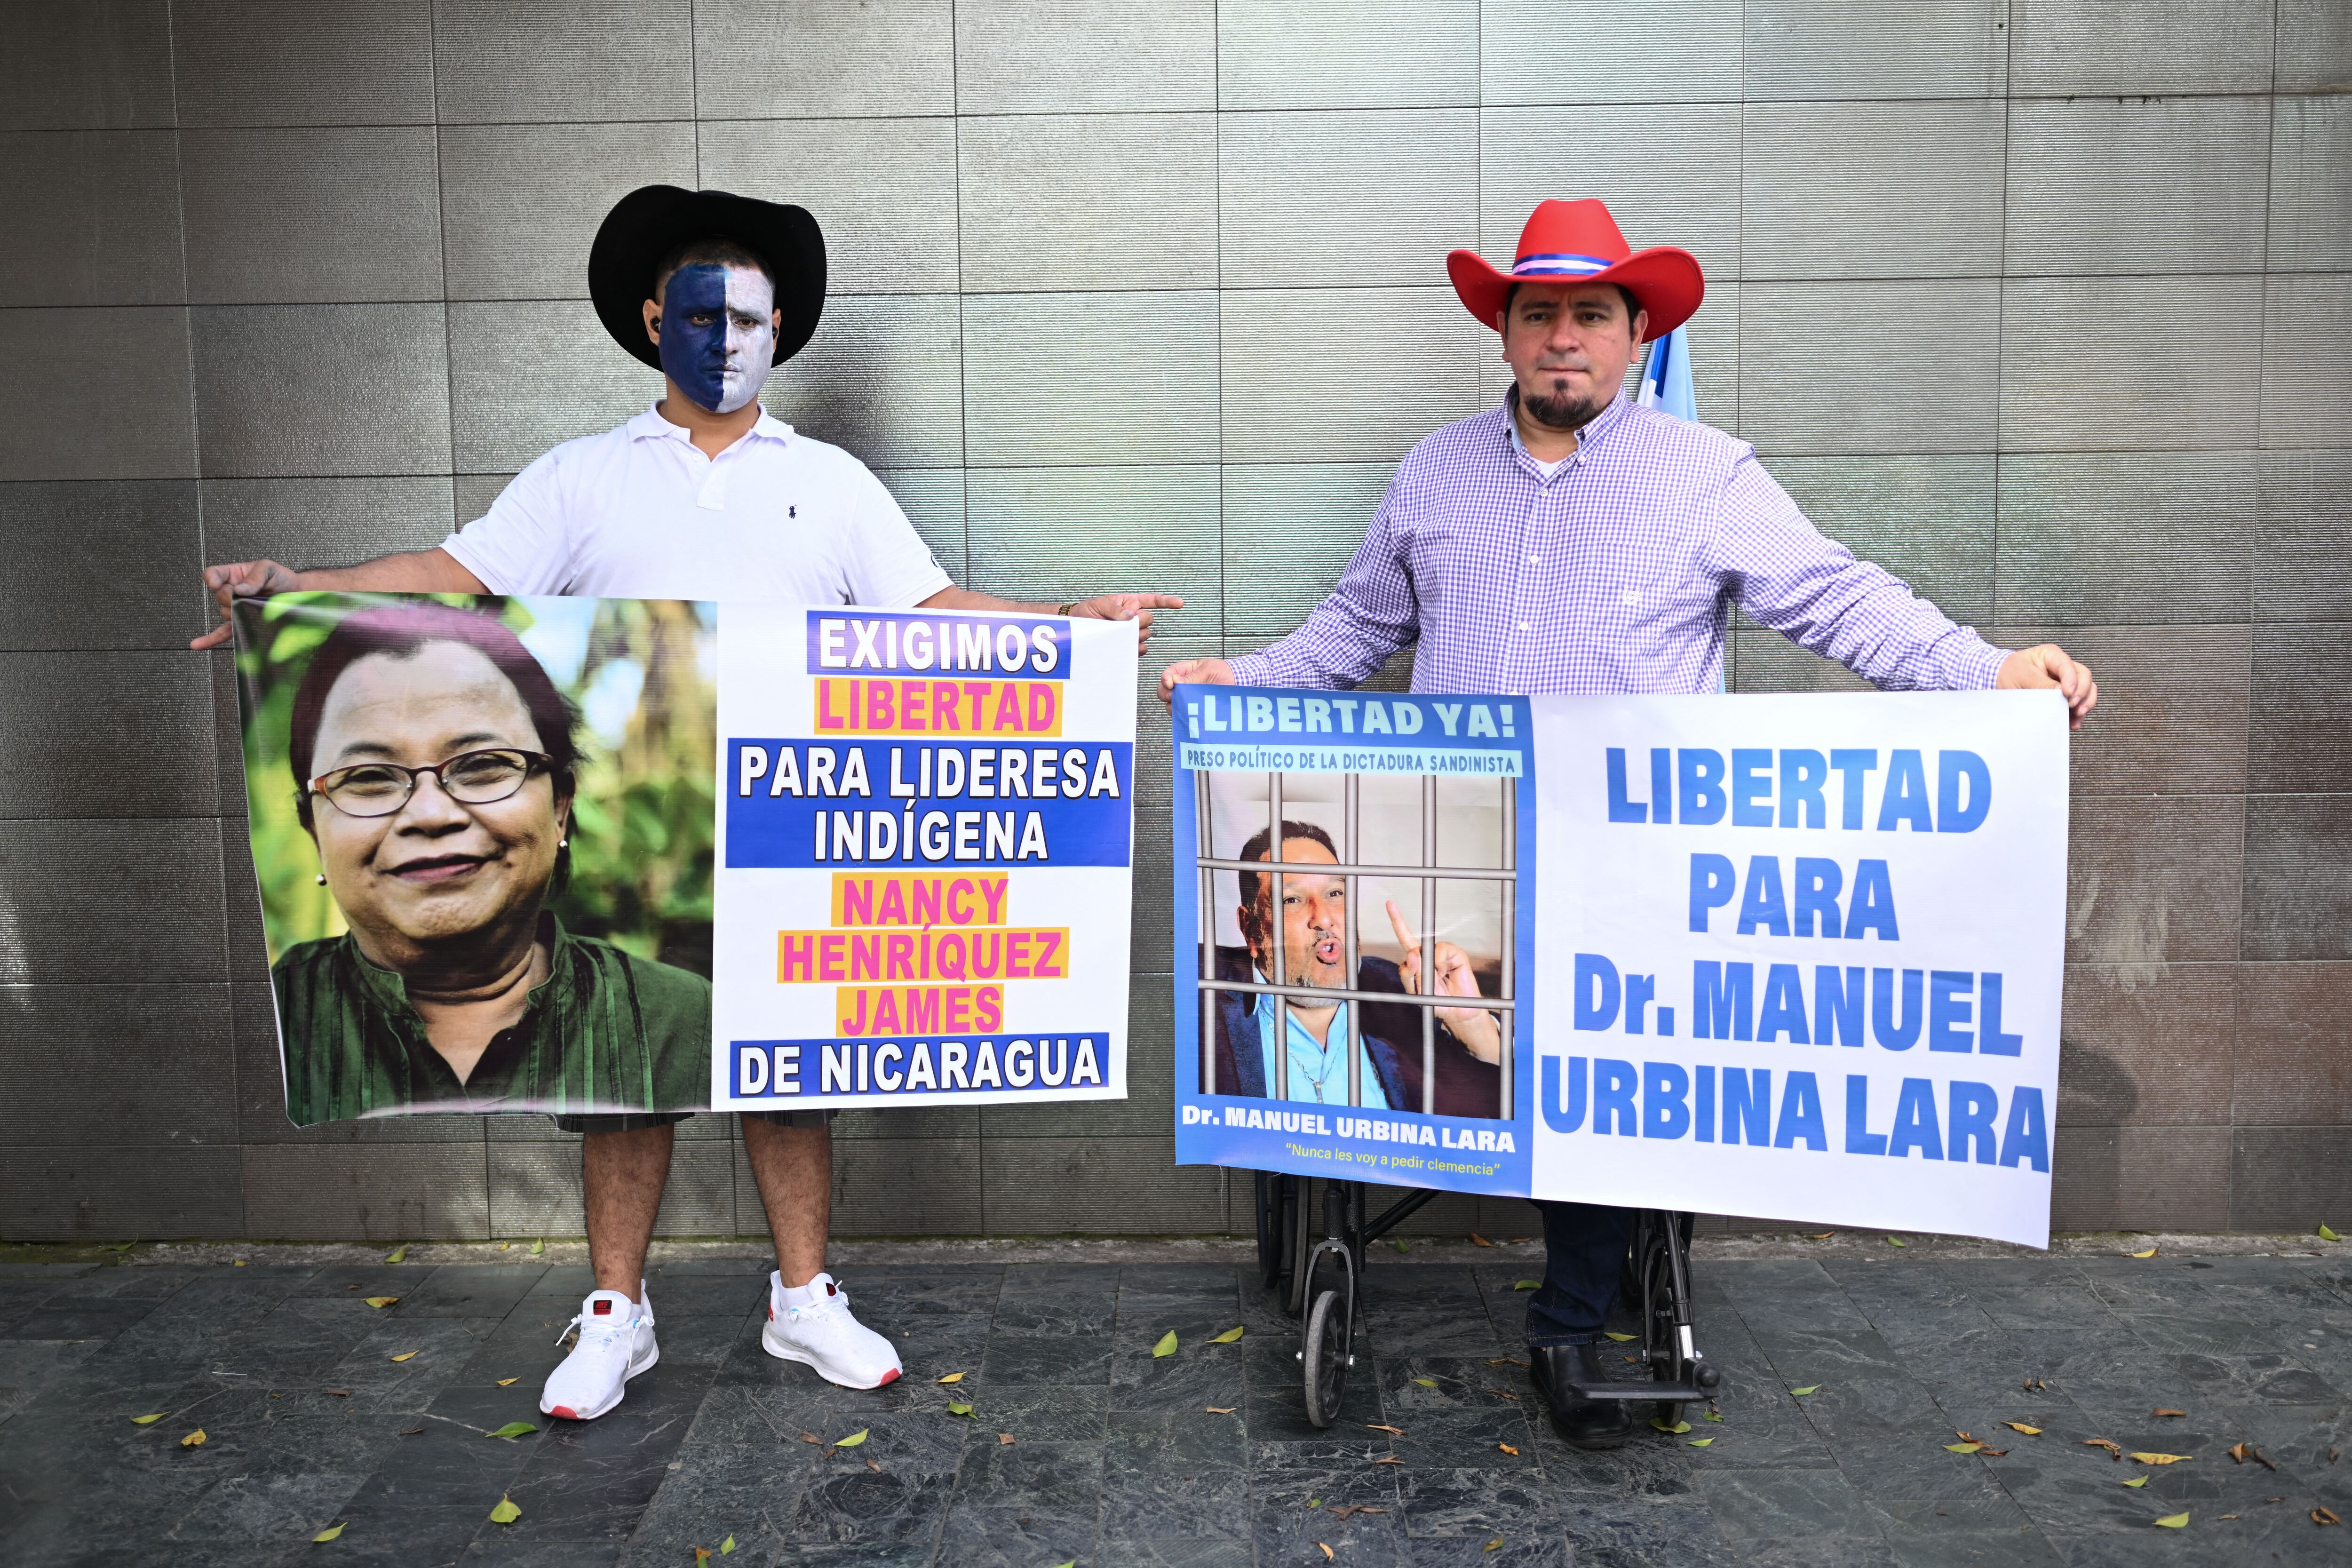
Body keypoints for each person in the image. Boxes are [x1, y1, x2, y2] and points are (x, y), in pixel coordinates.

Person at [194, 185, 1181, 1424]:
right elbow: (449, 580)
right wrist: (303, 585)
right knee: (622, 1069)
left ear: (779, 331)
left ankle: (804, 1293)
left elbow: (931, 614)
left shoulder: (831, 481)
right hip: (627, 825)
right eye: (706, 315)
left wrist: (1067, 629)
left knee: (789, 1065)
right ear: (657, 318)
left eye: (754, 319)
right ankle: (617, 1308)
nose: (729, 340)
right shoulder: (581, 476)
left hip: (790, 826)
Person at [1161, 197, 2098, 1450]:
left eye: (1590, 315)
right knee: (1438, 1030)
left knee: (1605, 1078)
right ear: (1504, 332)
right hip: (1468, 856)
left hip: (1639, 867)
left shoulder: (1705, 474)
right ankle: (1371, 1241)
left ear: (1636, 332)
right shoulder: (1435, 474)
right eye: (1538, 313)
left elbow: (1837, 599)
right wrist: (1250, 681)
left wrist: (1988, 671)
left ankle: (1569, 1321)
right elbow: (1355, 630)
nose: (1563, 338)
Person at [274, 600, 707, 1122]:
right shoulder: (254, 1028)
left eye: (482, 765)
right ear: (314, 833)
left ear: (560, 809)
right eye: (369, 777)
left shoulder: (687, 1027)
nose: (430, 814)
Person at [1207, 819, 1502, 1118]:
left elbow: (1500, 1107)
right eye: (1292, 899)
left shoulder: (1402, 989)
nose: (1323, 918)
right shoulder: (1200, 994)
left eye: (1335, 893)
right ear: (1251, 929)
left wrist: (1471, 1021)